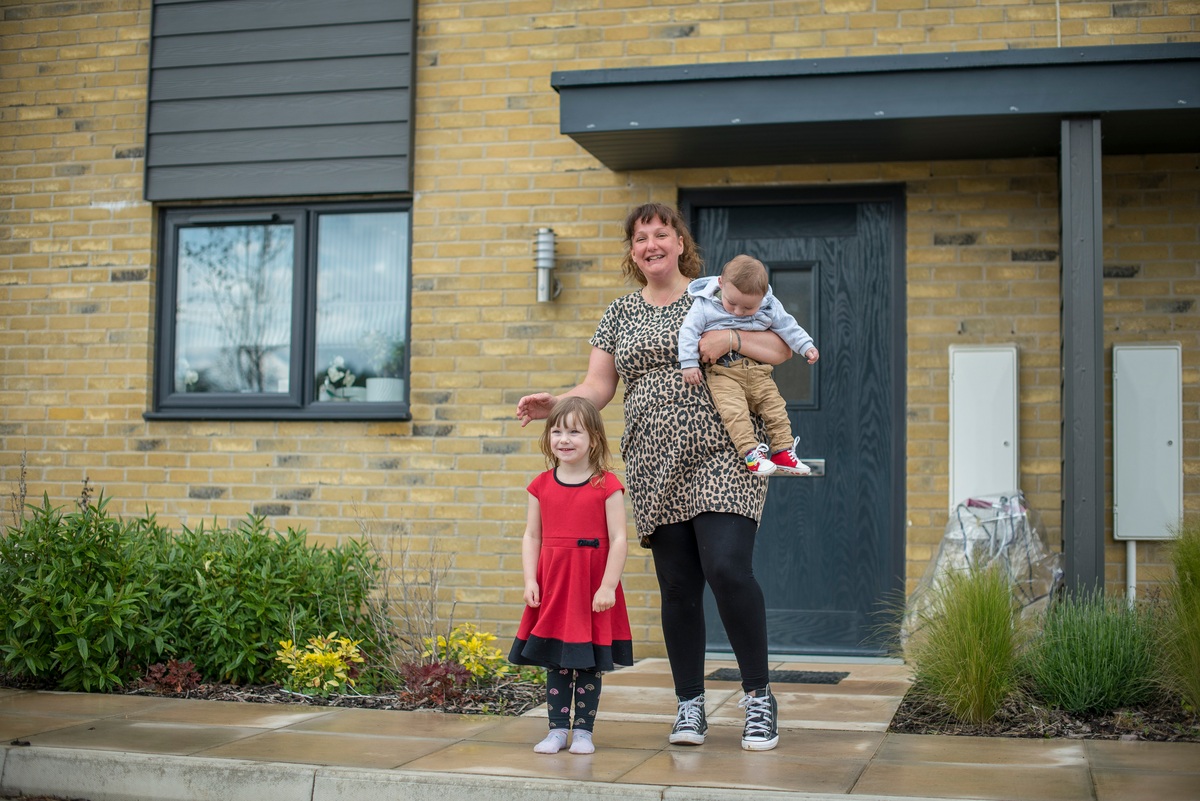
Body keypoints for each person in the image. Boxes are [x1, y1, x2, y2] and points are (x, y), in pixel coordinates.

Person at [517, 202, 791, 752]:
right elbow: (599, 386)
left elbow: (780, 346)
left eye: (660, 233)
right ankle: (690, 704)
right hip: (652, 462)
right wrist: (558, 404)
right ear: (633, 250)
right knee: (678, 585)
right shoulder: (620, 313)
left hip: (724, 453)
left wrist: (732, 339)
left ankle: (758, 698)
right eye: (640, 237)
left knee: (727, 567)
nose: (650, 244)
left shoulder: (717, 293)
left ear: (680, 242)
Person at [508, 395, 633, 755]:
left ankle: (583, 732)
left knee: (587, 662)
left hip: (592, 587)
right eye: (557, 431)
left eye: (575, 432)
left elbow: (620, 538)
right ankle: (557, 729)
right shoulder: (540, 485)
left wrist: (609, 584)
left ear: (593, 438)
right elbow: (532, 535)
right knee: (556, 660)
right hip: (555, 587)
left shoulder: (606, 485)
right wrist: (530, 580)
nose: (564, 438)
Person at [678, 254, 820, 476]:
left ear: (762, 297)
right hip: (723, 372)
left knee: (775, 407)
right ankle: (751, 454)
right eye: (732, 303)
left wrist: (806, 346)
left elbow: (787, 326)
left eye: (747, 308)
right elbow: (689, 331)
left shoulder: (770, 305)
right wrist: (688, 363)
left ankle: (783, 451)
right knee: (734, 412)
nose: (737, 311)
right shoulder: (704, 304)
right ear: (721, 284)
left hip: (758, 371)